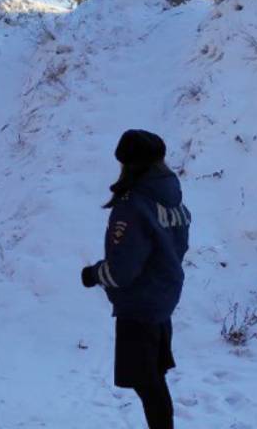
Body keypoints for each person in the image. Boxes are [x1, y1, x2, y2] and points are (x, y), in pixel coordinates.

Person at [81, 129, 191, 429]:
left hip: (140, 304)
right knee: (153, 378)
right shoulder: (172, 199)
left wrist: (93, 274)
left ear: (129, 164)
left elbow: (122, 270)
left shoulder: (132, 206)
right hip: (163, 297)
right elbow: (178, 247)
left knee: (147, 383)